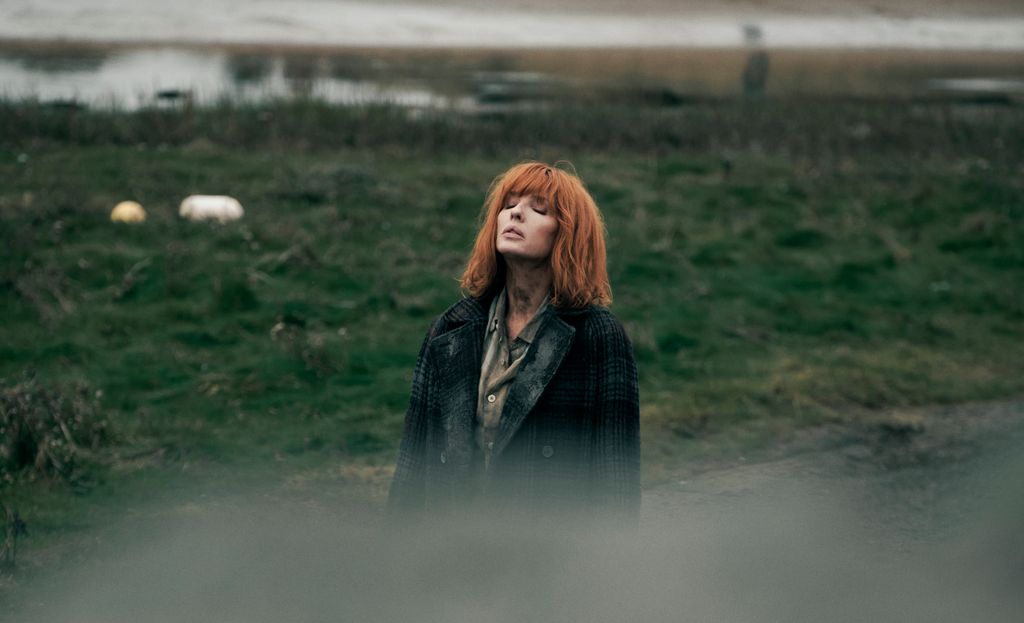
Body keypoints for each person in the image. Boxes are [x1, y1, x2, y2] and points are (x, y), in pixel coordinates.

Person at [386, 161, 640, 527]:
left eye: (539, 209)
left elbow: (618, 480)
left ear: (568, 233)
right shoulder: (451, 329)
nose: (516, 214)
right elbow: (413, 461)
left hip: (547, 559)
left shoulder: (598, 337)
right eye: (509, 205)